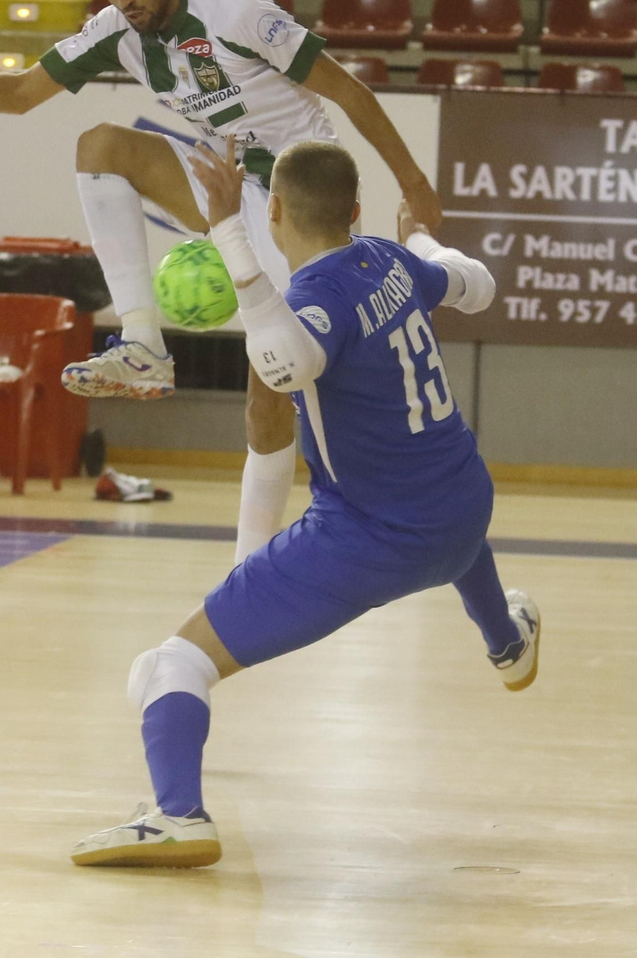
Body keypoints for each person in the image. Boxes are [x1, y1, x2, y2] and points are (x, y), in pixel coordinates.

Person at [0, 0, 441, 567]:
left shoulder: (236, 13)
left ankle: (330, 526)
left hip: (300, 201)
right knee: (101, 145)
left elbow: (348, 92)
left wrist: (414, 184)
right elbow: (22, 95)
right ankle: (145, 347)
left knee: (278, 385)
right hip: (228, 189)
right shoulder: (114, 29)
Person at [67, 138, 538, 869]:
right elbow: (474, 284)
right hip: (465, 503)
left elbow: (290, 358)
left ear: (276, 212)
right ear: (354, 211)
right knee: (456, 537)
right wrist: (418, 233)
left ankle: (176, 813)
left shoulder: (313, 301)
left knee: (173, 665)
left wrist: (228, 228)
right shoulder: (386, 257)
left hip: (370, 539)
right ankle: (507, 641)